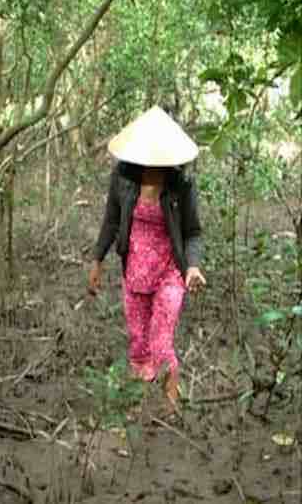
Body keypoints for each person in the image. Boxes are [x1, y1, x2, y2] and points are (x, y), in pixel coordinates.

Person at [88, 106, 206, 414]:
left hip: (170, 270)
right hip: (135, 271)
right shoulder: (123, 178)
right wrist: (97, 260)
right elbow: (112, 221)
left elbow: (192, 232)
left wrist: (192, 266)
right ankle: (139, 405)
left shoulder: (181, 185)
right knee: (139, 343)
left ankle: (170, 405)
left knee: (161, 336)